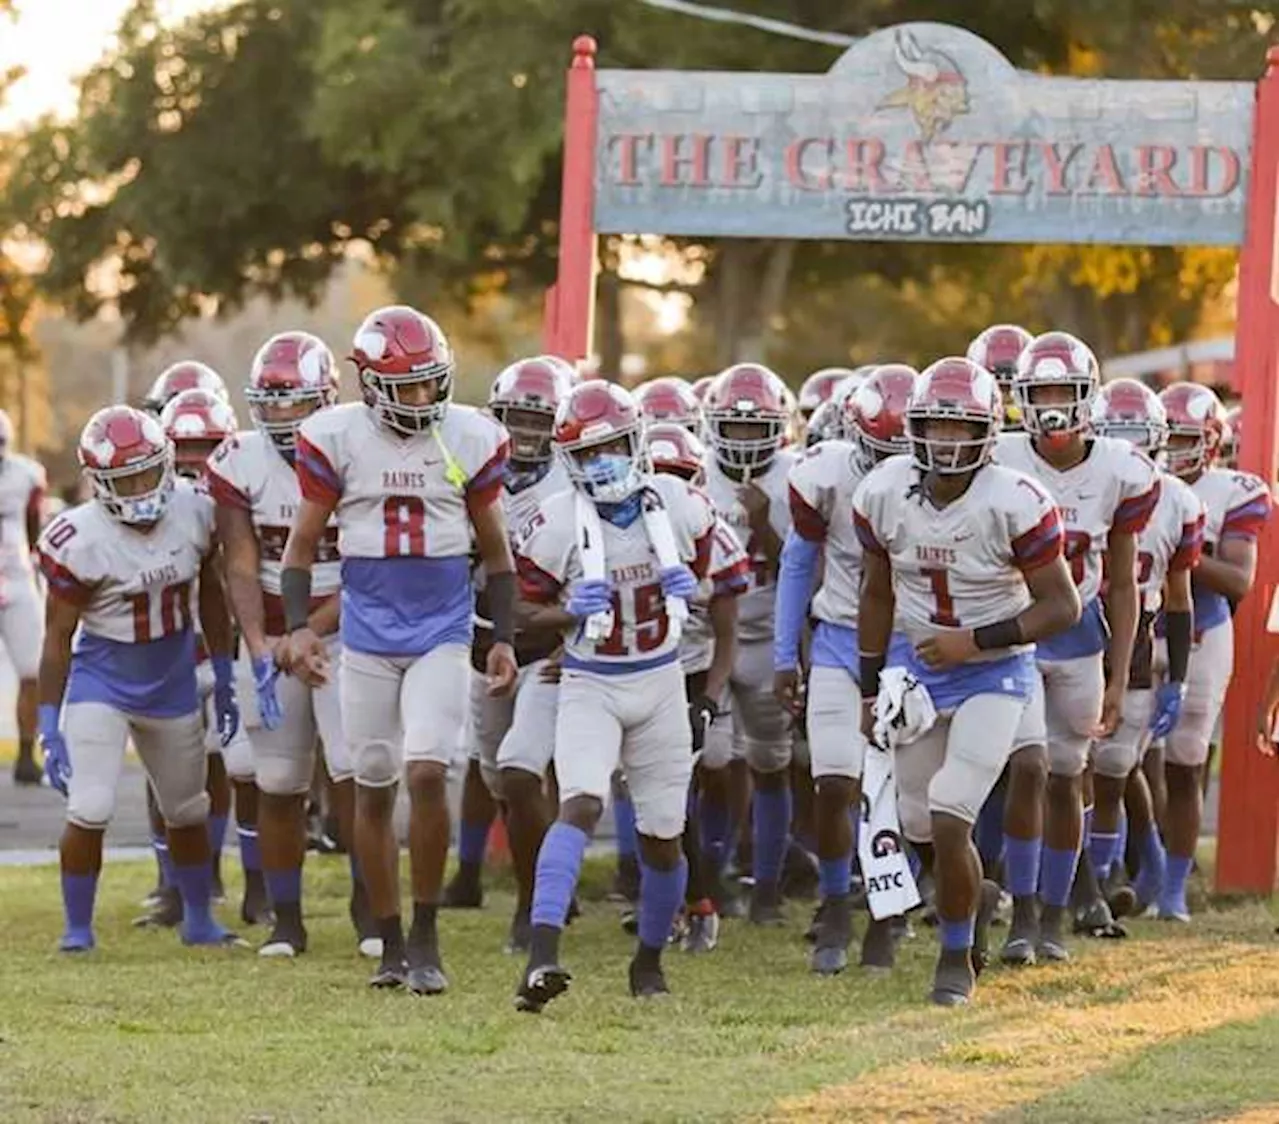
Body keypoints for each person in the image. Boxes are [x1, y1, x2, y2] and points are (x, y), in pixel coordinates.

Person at [281, 305, 517, 993]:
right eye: (405, 386)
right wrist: (299, 626)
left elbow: (497, 557)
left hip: (441, 626)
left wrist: (501, 637)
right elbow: (301, 549)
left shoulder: (469, 436)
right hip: (368, 630)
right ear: (368, 383)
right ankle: (387, 939)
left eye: (428, 383)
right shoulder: (336, 438)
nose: (421, 398)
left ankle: (426, 931)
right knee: (374, 782)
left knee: (426, 770)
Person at [854, 357, 1081, 1005]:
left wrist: (975, 640)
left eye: (963, 429)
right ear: (914, 426)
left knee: (954, 813)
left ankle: (955, 959)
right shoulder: (883, 491)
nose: (948, 443)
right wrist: (871, 682)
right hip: (919, 670)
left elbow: (1060, 607)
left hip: (992, 671)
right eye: (935, 427)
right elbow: (874, 592)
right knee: (917, 823)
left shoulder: (1015, 500)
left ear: (988, 433)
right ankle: (972, 897)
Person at [512, 381, 716, 1011]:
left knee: (663, 833)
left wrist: (695, 585)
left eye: (612, 448)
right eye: (588, 453)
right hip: (590, 681)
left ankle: (649, 960)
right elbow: (518, 610)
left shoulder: (681, 504)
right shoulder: (553, 521)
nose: (602, 464)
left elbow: (712, 581)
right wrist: (564, 612)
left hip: (659, 678)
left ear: (637, 442)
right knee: (578, 804)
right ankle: (542, 954)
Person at [37, 406, 242, 951]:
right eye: (125, 478)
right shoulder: (78, 538)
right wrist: (47, 722)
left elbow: (214, 597)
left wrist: (222, 674)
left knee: (187, 807)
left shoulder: (195, 512)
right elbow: (57, 637)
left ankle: (198, 918)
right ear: (99, 482)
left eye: (149, 472)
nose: (140, 486)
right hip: (102, 680)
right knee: (91, 805)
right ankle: (77, 928)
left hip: (171, 679)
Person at [207, 330, 379, 957]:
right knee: (278, 780)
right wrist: (259, 644)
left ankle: (370, 909)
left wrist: (314, 632)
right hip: (276, 634)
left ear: (327, 398)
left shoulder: (360, 448)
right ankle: (287, 920)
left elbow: (371, 561)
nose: (280, 416)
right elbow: (241, 562)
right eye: (270, 403)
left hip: (350, 629)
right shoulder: (238, 459)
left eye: (293, 402)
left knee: (357, 774)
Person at [991, 332, 1159, 963]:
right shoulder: (1000, 454)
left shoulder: (1120, 469)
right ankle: (1022, 913)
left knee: (1067, 776)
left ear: (1088, 397)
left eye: (1065, 391)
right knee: (1028, 769)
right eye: (1042, 393)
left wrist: (1120, 678)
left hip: (1082, 635)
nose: (1054, 405)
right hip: (1016, 632)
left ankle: (1054, 917)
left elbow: (1124, 582)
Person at [774, 364, 916, 975]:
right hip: (838, 634)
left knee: (900, 792)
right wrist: (786, 653)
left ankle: (888, 910)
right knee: (835, 781)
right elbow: (797, 565)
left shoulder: (948, 482)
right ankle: (835, 900)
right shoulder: (825, 475)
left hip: (913, 641)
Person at [463, 354, 577, 953]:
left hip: (546, 649)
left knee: (522, 766)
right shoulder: (472, 470)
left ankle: (537, 904)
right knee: (495, 773)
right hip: (482, 645)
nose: (528, 434)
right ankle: (549, 881)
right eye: (518, 419)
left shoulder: (575, 482)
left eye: (540, 421)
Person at [1087, 380, 1202, 917]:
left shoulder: (1178, 500)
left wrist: (1177, 677)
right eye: (1114, 434)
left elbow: (1179, 596)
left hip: (1136, 636)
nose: (1127, 449)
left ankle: (1103, 881)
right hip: (1078, 624)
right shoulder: (1082, 484)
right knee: (1063, 764)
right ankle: (1083, 879)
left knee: (1112, 767)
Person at [1155, 382, 1269, 921]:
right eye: (1168, 437)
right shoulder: (1135, 479)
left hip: (1203, 630)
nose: (1174, 450)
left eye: (1185, 438)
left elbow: (1238, 580)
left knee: (1186, 757)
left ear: (1211, 440)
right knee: (1118, 761)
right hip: (1139, 628)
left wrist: (1182, 548)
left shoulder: (1233, 490)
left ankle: (1172, 887)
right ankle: (1138, 867)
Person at [644, 421, 748, 952]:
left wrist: (708, 697)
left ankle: (702, 896)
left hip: (691, 673)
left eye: (677, 477)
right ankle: (679, 897)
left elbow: (726, 635)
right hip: (636, 670)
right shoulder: (615, 527)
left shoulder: (715, 538)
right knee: (656, 796)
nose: (666, 489)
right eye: (656, 475)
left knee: (690, 781)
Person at [701, 363, 798, 923]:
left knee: (770, 761)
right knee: (713, 759)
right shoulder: (694, 475)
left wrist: (763, 525)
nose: (742, 439)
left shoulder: (795, 476)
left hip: (767, 628)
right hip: (710, 630)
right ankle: (712, 881)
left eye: (753, 427)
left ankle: (766, 887)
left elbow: (801, 568)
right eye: (732, 429)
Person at [0, 408, 50, 785]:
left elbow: (35, 528)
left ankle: (26, 753)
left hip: (15, 577)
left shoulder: (26, 474)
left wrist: (33, 564)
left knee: (32, 670)